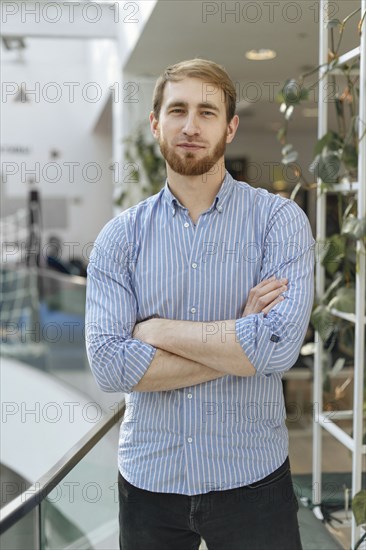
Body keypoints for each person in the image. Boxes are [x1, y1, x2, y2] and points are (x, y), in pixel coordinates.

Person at [85, 58, 314, 550]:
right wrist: (238, 339)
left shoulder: (278, 222)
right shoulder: (119, 239)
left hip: (252, 478)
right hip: (150, 482)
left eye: (207, 112)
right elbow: (109, 365)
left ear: (230, 127)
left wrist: (155, 331)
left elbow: (275, 349)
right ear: (155, 122)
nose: (190, 126)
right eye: (178, 110)